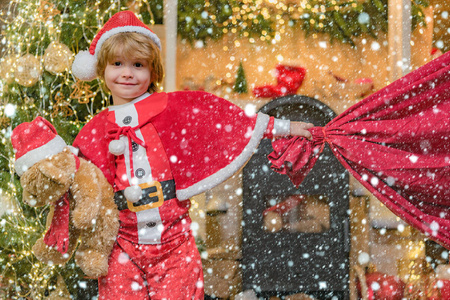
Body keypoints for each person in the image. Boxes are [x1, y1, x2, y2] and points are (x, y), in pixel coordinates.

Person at [70, 10, 313, 300]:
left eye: (138, 64)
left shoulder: (172, 109)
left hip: (175, 244)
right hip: (122, 245)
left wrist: (286, 127)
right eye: (117, 63)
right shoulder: (95, 130)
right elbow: (78, 178)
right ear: (101, 69)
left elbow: (227, 121)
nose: (127, 72)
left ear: (152, 71)